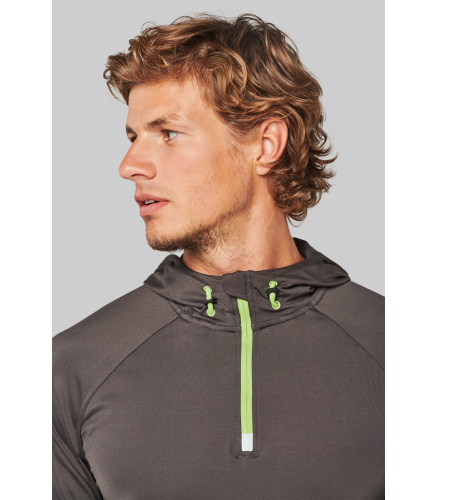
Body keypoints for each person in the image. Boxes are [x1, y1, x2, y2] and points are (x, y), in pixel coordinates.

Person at [52, 13, 384, 500]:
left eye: (168, 133)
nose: (130, 165)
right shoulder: (71, 367)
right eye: (133, 137)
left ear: (266, 144)